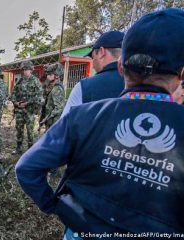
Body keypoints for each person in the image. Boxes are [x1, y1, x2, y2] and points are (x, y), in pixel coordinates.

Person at [16, 8, 184, 238]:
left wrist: (53, 206)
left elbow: (27, 167)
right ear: (182, 73)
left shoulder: (82, 116)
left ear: (121, 66)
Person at [61, 31, 124, 117]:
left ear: (102, 52)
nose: (93, 64)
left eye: (93, 57)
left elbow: (64, 126)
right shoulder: (142, 84)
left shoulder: (84, 87)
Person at [10, 60, 43, 154]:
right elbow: (13, 93)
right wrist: (16, 103)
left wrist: (27, 103)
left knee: (30, 130)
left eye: (27, 69)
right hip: (19, 110)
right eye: (24, 69)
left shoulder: (36, 81)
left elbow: (40, 97)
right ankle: (18, 148)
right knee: (19, 129)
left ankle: (30, 149)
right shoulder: (20, 81)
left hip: (30, 110)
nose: (25, 71)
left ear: (31, 70)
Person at [39, 63, 65, 130]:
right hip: (50, 121)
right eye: (47, 74)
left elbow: (59, 108)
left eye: (50, 74)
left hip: (54, 122)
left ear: (57, 76)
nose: (48, 76)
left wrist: (46, 118)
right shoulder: (52, 87)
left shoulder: (57, 88)